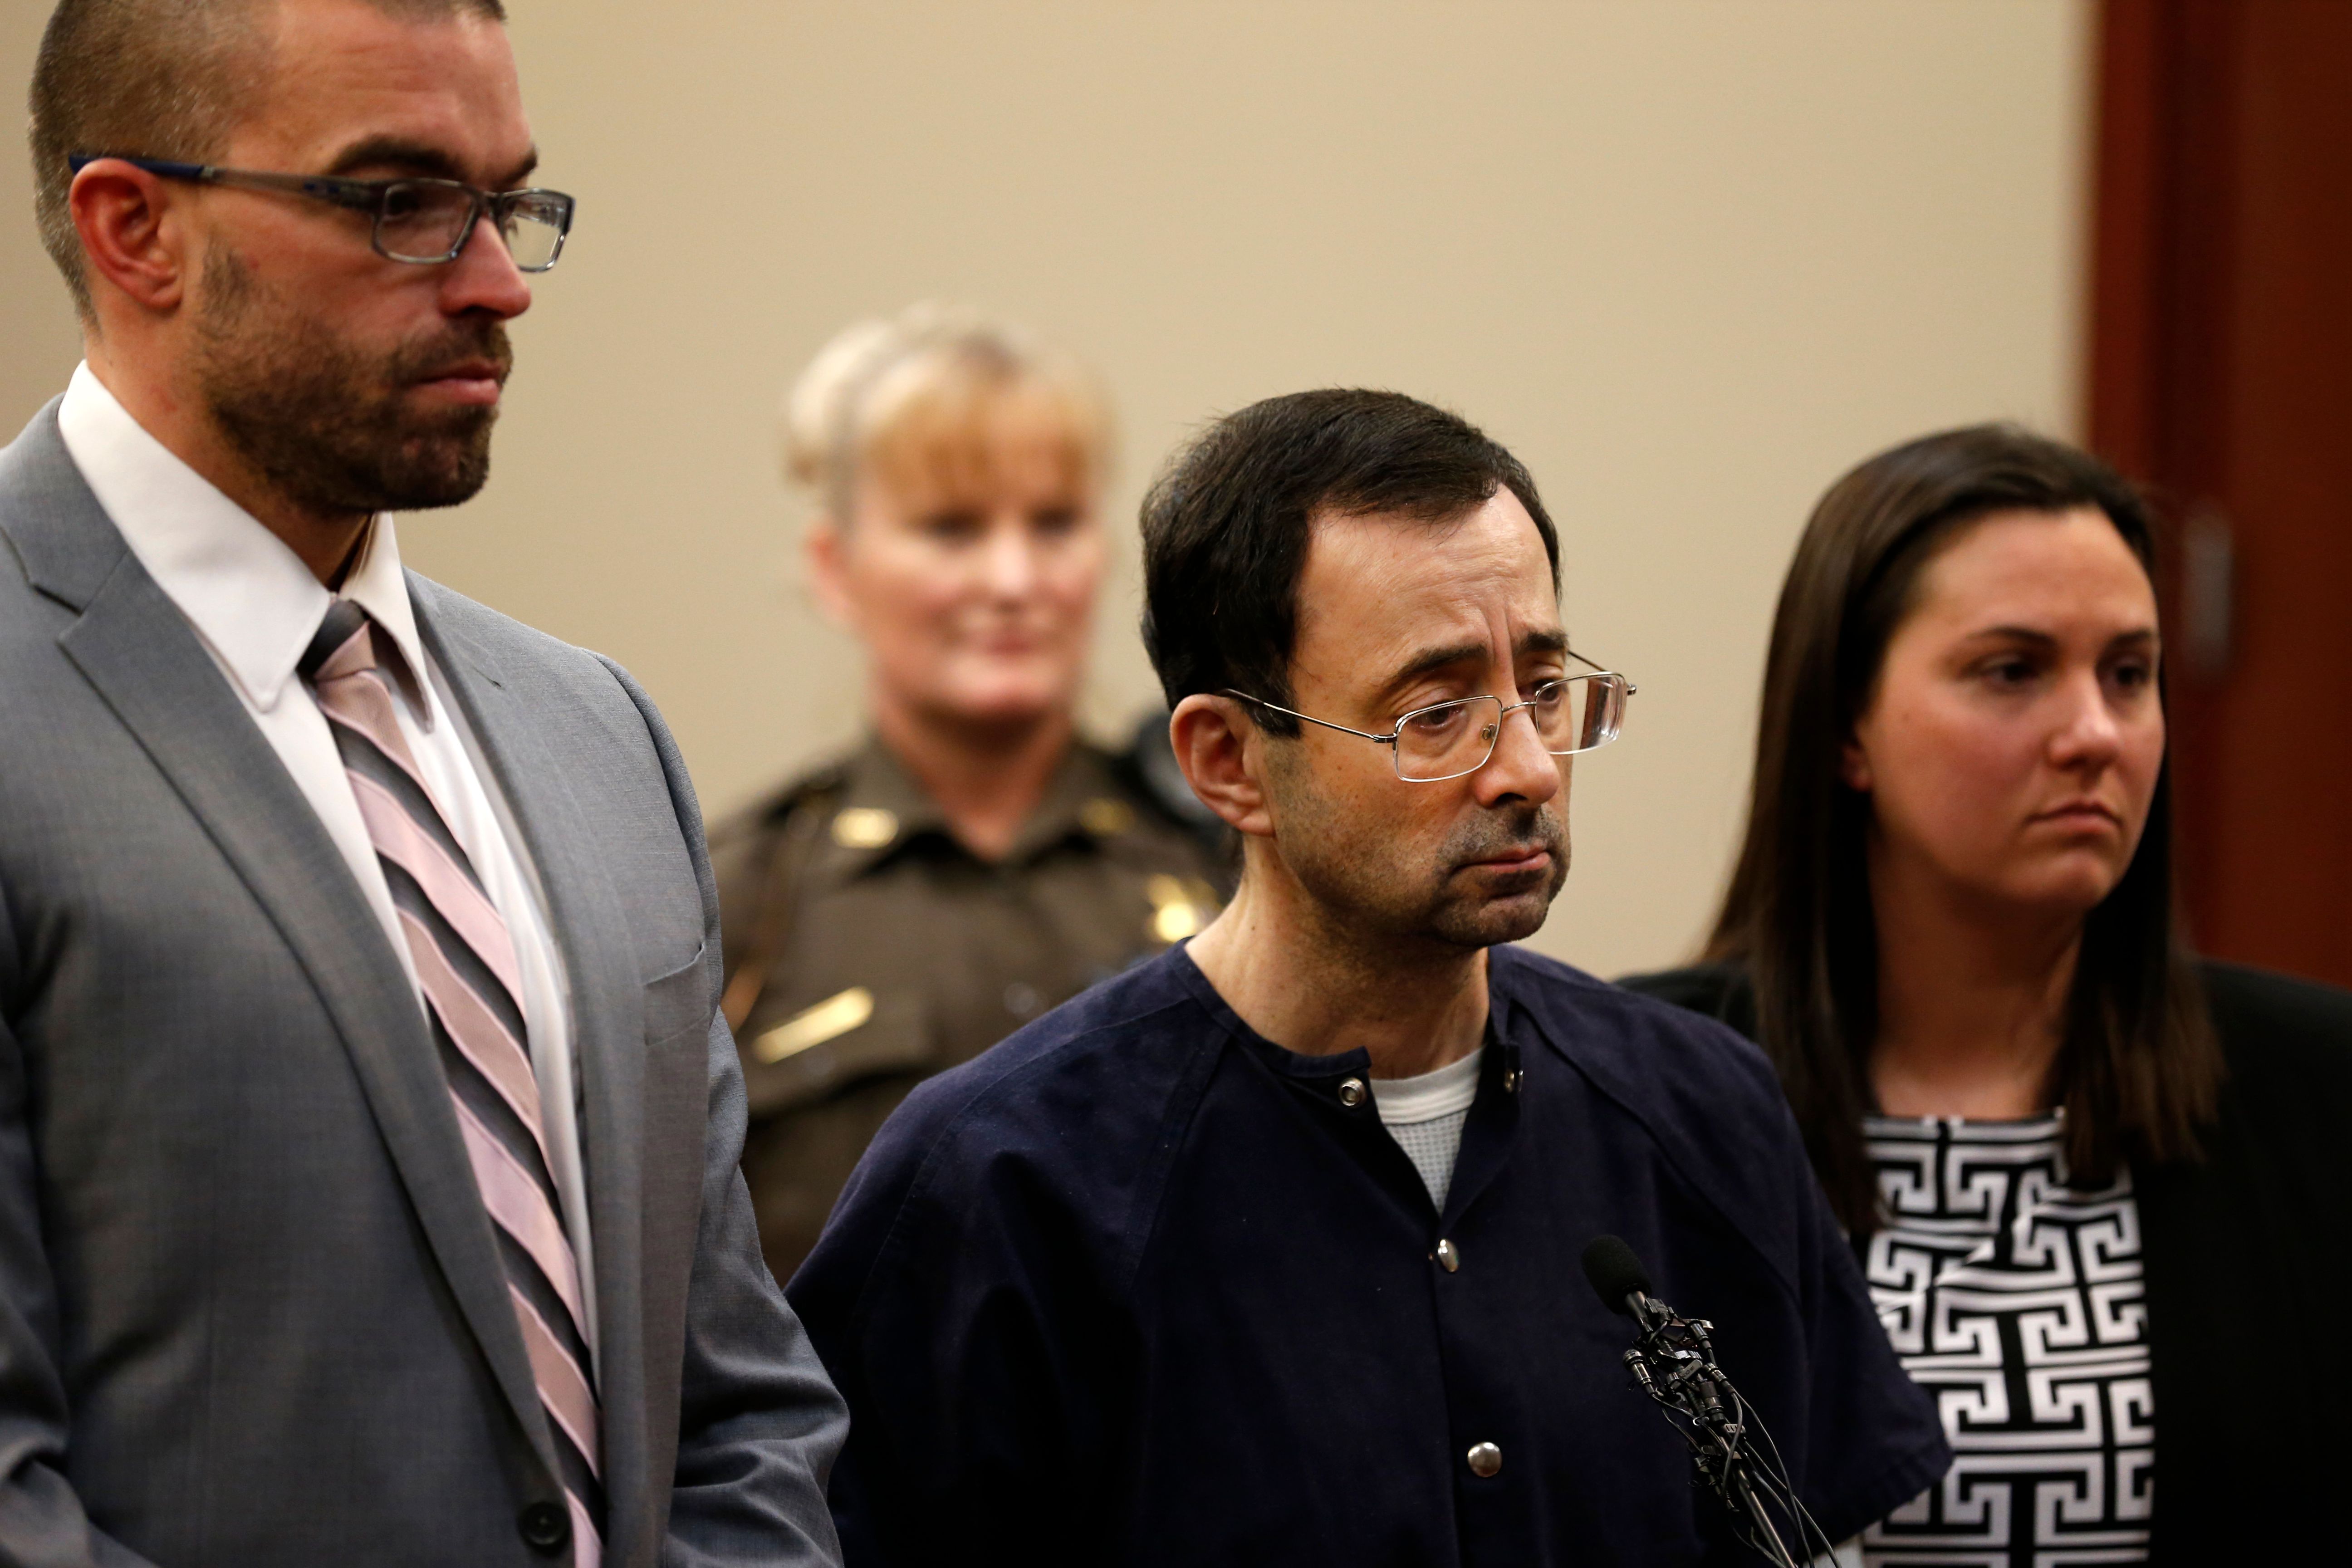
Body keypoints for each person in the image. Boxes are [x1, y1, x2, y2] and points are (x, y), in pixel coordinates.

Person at [787, 389, 1950, 1564]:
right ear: (1229, 762)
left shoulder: (1701, 1112)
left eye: (1543, 688)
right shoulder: (1001, 1183)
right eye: (1438, 713)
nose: (1532, 768)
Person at [0, 1, 845, 1562]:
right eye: (399, 204)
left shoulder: (598, 733)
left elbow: (739, 1405)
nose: (499, 283)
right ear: (135, 230)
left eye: (509, 199)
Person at [1620, 425, 2352, 1564]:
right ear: (1848, 725)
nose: (2093, 735)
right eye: (2012, 670)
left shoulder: (2316, 1088)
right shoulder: (1640, 1089)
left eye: (2129, 673)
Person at [710, 306, 1226, 1280]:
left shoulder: (1223, 864)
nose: (1013, 577)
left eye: (1055, 522)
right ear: (836, 568)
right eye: (951, 529)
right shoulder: (738, 911)